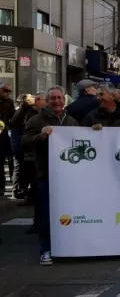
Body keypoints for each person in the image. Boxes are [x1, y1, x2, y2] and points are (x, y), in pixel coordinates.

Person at [22, 87, 80, 266]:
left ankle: (68, 248)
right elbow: (24, 143)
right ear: (47, 101)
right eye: (52, 98)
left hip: (69, 176)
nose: (56, 101)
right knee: (46, 214)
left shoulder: (71, 121)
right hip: (46, 174)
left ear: (65, 100)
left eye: (59, 98)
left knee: (70, 212)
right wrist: (41, 136)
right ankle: (46, 250)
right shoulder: (36, 120)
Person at [9, 94, 37, 202]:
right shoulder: (21, 112)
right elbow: (15, 124)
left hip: (23, 145)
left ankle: (22, 190)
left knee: (24, 168)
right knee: (20, 167)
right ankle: (18, 190)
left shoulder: (30, 112)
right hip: (20, 145)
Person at [0, 82, 16, 197]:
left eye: (8, 91)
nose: (7, 93)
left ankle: (2, 188)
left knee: (6, 161)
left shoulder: (9, 102)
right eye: (5, 91)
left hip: (4, 135)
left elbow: (13, 117)